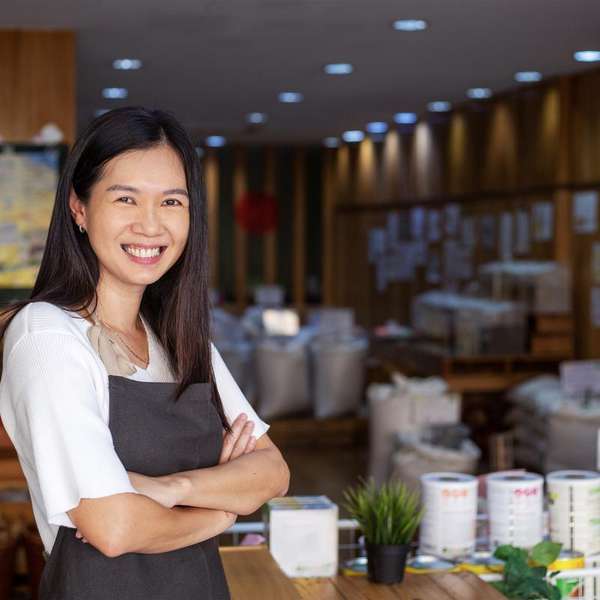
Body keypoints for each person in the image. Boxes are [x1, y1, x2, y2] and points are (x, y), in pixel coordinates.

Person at [0, 106, 290, 600]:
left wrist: (173, 489)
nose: (151, 226)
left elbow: (273, 473)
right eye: (126, 199)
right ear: (80, 209)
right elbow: (113, 527)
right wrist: (221, 510)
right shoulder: (47, 336)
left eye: (172, 202)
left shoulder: (179, 336)